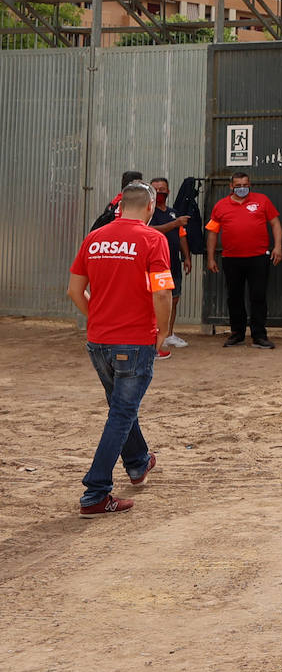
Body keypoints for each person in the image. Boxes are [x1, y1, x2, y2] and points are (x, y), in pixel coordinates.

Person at [67, 181, 174, 518]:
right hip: (135, 340)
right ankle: (95, 492)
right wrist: (161, 333)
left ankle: (138, 462)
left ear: (121, 204)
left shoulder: (94, 238)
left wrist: (96, 317)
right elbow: (162, 293)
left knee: (120, 406)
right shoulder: (153, 239)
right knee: (122, 413)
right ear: (151, 207)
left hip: (98, 341)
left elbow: (73, 290)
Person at [205, 172, 282, 349]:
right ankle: (237, 333)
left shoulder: (262, 200)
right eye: (238, 185)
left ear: (250, 185)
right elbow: (212, 233)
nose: (242, 188)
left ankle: (259, 336)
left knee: (258, 296)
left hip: (258, 258)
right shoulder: (220, 206)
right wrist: (210, 258)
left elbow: (275, 224)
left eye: (245, 185)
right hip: (231, 259)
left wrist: (277, 247)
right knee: (234, 297)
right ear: (231, 186)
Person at [147, 177, 193, 356]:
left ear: (168, 191)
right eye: (156, 189)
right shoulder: (147, 212)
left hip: (172, 262)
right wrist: (175, 224)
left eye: (163, 189)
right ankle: (153, 335)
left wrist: (187, 257)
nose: (160, 192)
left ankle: (169, 333)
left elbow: (181, 236)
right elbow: (150, 231)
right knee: (156, 299)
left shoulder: (174, 212)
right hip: (154, 262)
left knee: (174, 298)